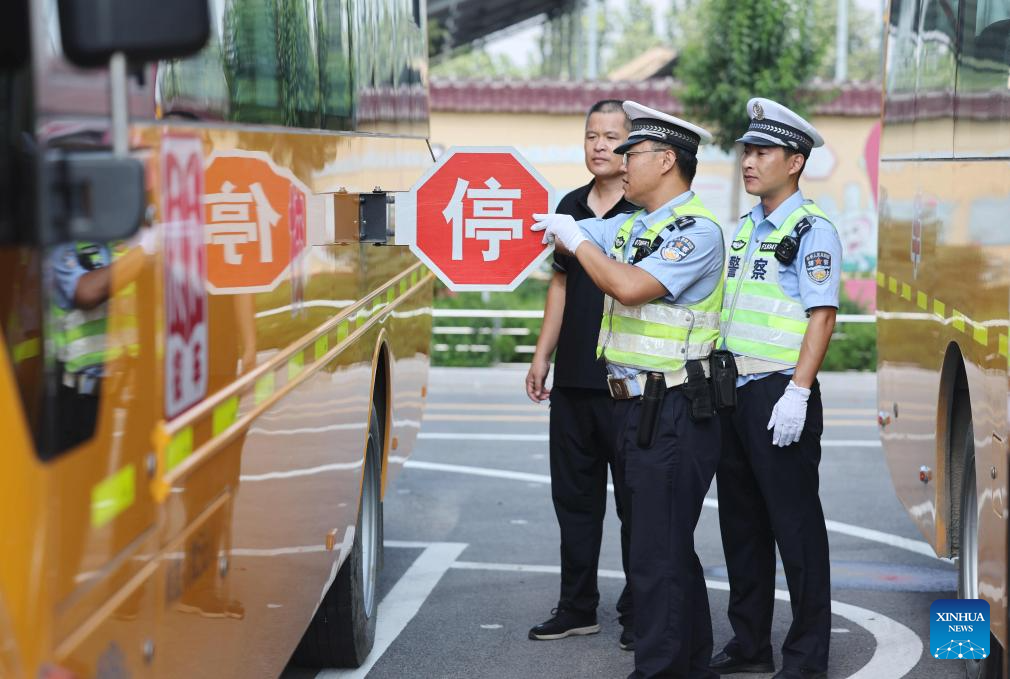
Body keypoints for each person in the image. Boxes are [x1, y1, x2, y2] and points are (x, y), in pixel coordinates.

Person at [533, 100, 724, 679]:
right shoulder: (636, 224)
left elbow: (630, 285)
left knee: (655, 553)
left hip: (674, 407)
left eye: (630, 152)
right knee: (665, 548)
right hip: (636, 408)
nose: (619, 161)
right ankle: (690, 664)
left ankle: (659, 668)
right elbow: (564, 236)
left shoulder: (696, 232)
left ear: (665, 160)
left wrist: (576, 239)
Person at [709, 98, 842, 679]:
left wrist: (799, 393)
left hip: (778, 395)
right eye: (747, 151)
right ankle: (749, 644)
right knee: (741, 526)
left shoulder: (811, 231)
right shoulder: (744, 230)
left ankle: (807, 658)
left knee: (796, 528)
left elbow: (822, 316)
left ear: (794, 162)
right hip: (733, 393)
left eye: (762, 152)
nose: (748, 161)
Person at [526, 100, 638, 649]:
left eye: (611, 136)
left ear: (632, 147)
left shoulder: (645, 208)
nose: (599, 145)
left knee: (636, 505)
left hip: (628, 383)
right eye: (592, 135)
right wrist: (542, 354)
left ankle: (641, 610)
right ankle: (577, 607)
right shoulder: (568, 207)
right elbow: (561, 284)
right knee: (574, 501)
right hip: (572, 382)